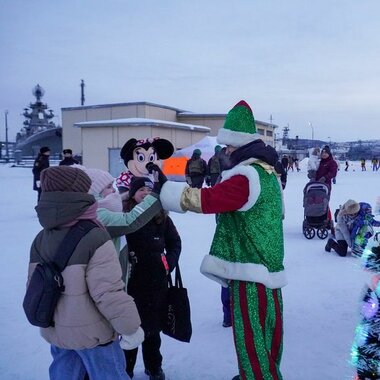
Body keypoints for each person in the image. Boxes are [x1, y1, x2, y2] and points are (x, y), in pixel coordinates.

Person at [159, 100, 286, 380]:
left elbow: (210, 199)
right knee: (268, 338)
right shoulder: (269, 174)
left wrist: (167, 192)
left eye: (228, 148)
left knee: (250, 343)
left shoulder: (247, 176)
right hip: (270, 270)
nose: (225, 153)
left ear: (239, 146)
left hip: (250, 272)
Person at [26, 166, 143, 380]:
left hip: (58, 331)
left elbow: (34, 286)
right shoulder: (95, 235)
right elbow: (108, 292)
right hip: (94, 335)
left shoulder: (41, 237)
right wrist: (130, 327)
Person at [123, 177, 181, 380]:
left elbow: (175, 242)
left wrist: (168, 263)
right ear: (132, 193)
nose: (146, 193)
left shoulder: (161, 216)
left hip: (157, 281)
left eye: (149, 190)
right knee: (130, 328)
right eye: (141, 190)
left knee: (153, 328)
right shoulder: (124, 216)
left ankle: (154, 366)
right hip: (131, 281)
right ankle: (126, 369)